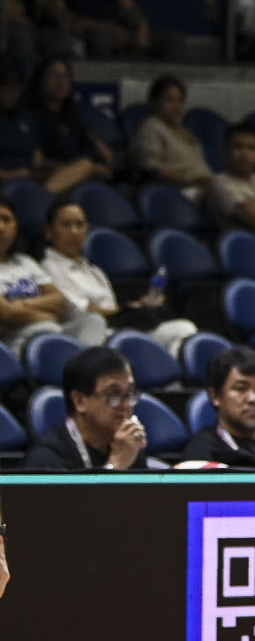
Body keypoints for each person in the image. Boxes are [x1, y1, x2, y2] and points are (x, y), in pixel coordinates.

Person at [41, 200, 196, 354]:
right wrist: (126, 309)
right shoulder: (47, 269)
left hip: (118, 330)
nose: (74, 231)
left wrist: (138, 306)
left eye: (80, 225)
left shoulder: (95, 271)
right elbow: (78, 310)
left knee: (184, 328)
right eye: (66, 225)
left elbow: (113, 309)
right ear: (49, 231)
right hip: (89, 335)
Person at [23, 346, 155, 470]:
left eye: (130, 393)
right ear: (79, 401)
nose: (126, 405)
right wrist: (116, 465)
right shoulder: (46, 458)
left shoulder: (128, 444)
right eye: (114, 395)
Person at [0, 199, 99, 352]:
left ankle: (88, 366)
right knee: (51, 332)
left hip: (54, 330)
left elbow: (60, 300)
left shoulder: (25, 262)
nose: (1, 227)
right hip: (18, 341)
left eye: (7, 220)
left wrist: (21, 305)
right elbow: (5, 313)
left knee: (93, 321)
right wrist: (48, 315)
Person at [128, 72, 213, 195]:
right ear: (154, 103)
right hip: (177, 192)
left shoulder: (184, 131)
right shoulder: (152, 127)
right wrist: (190, 180)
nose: (176, 107)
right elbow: (151, 170)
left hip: (204, 188)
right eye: (169, 100)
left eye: (180, 101)